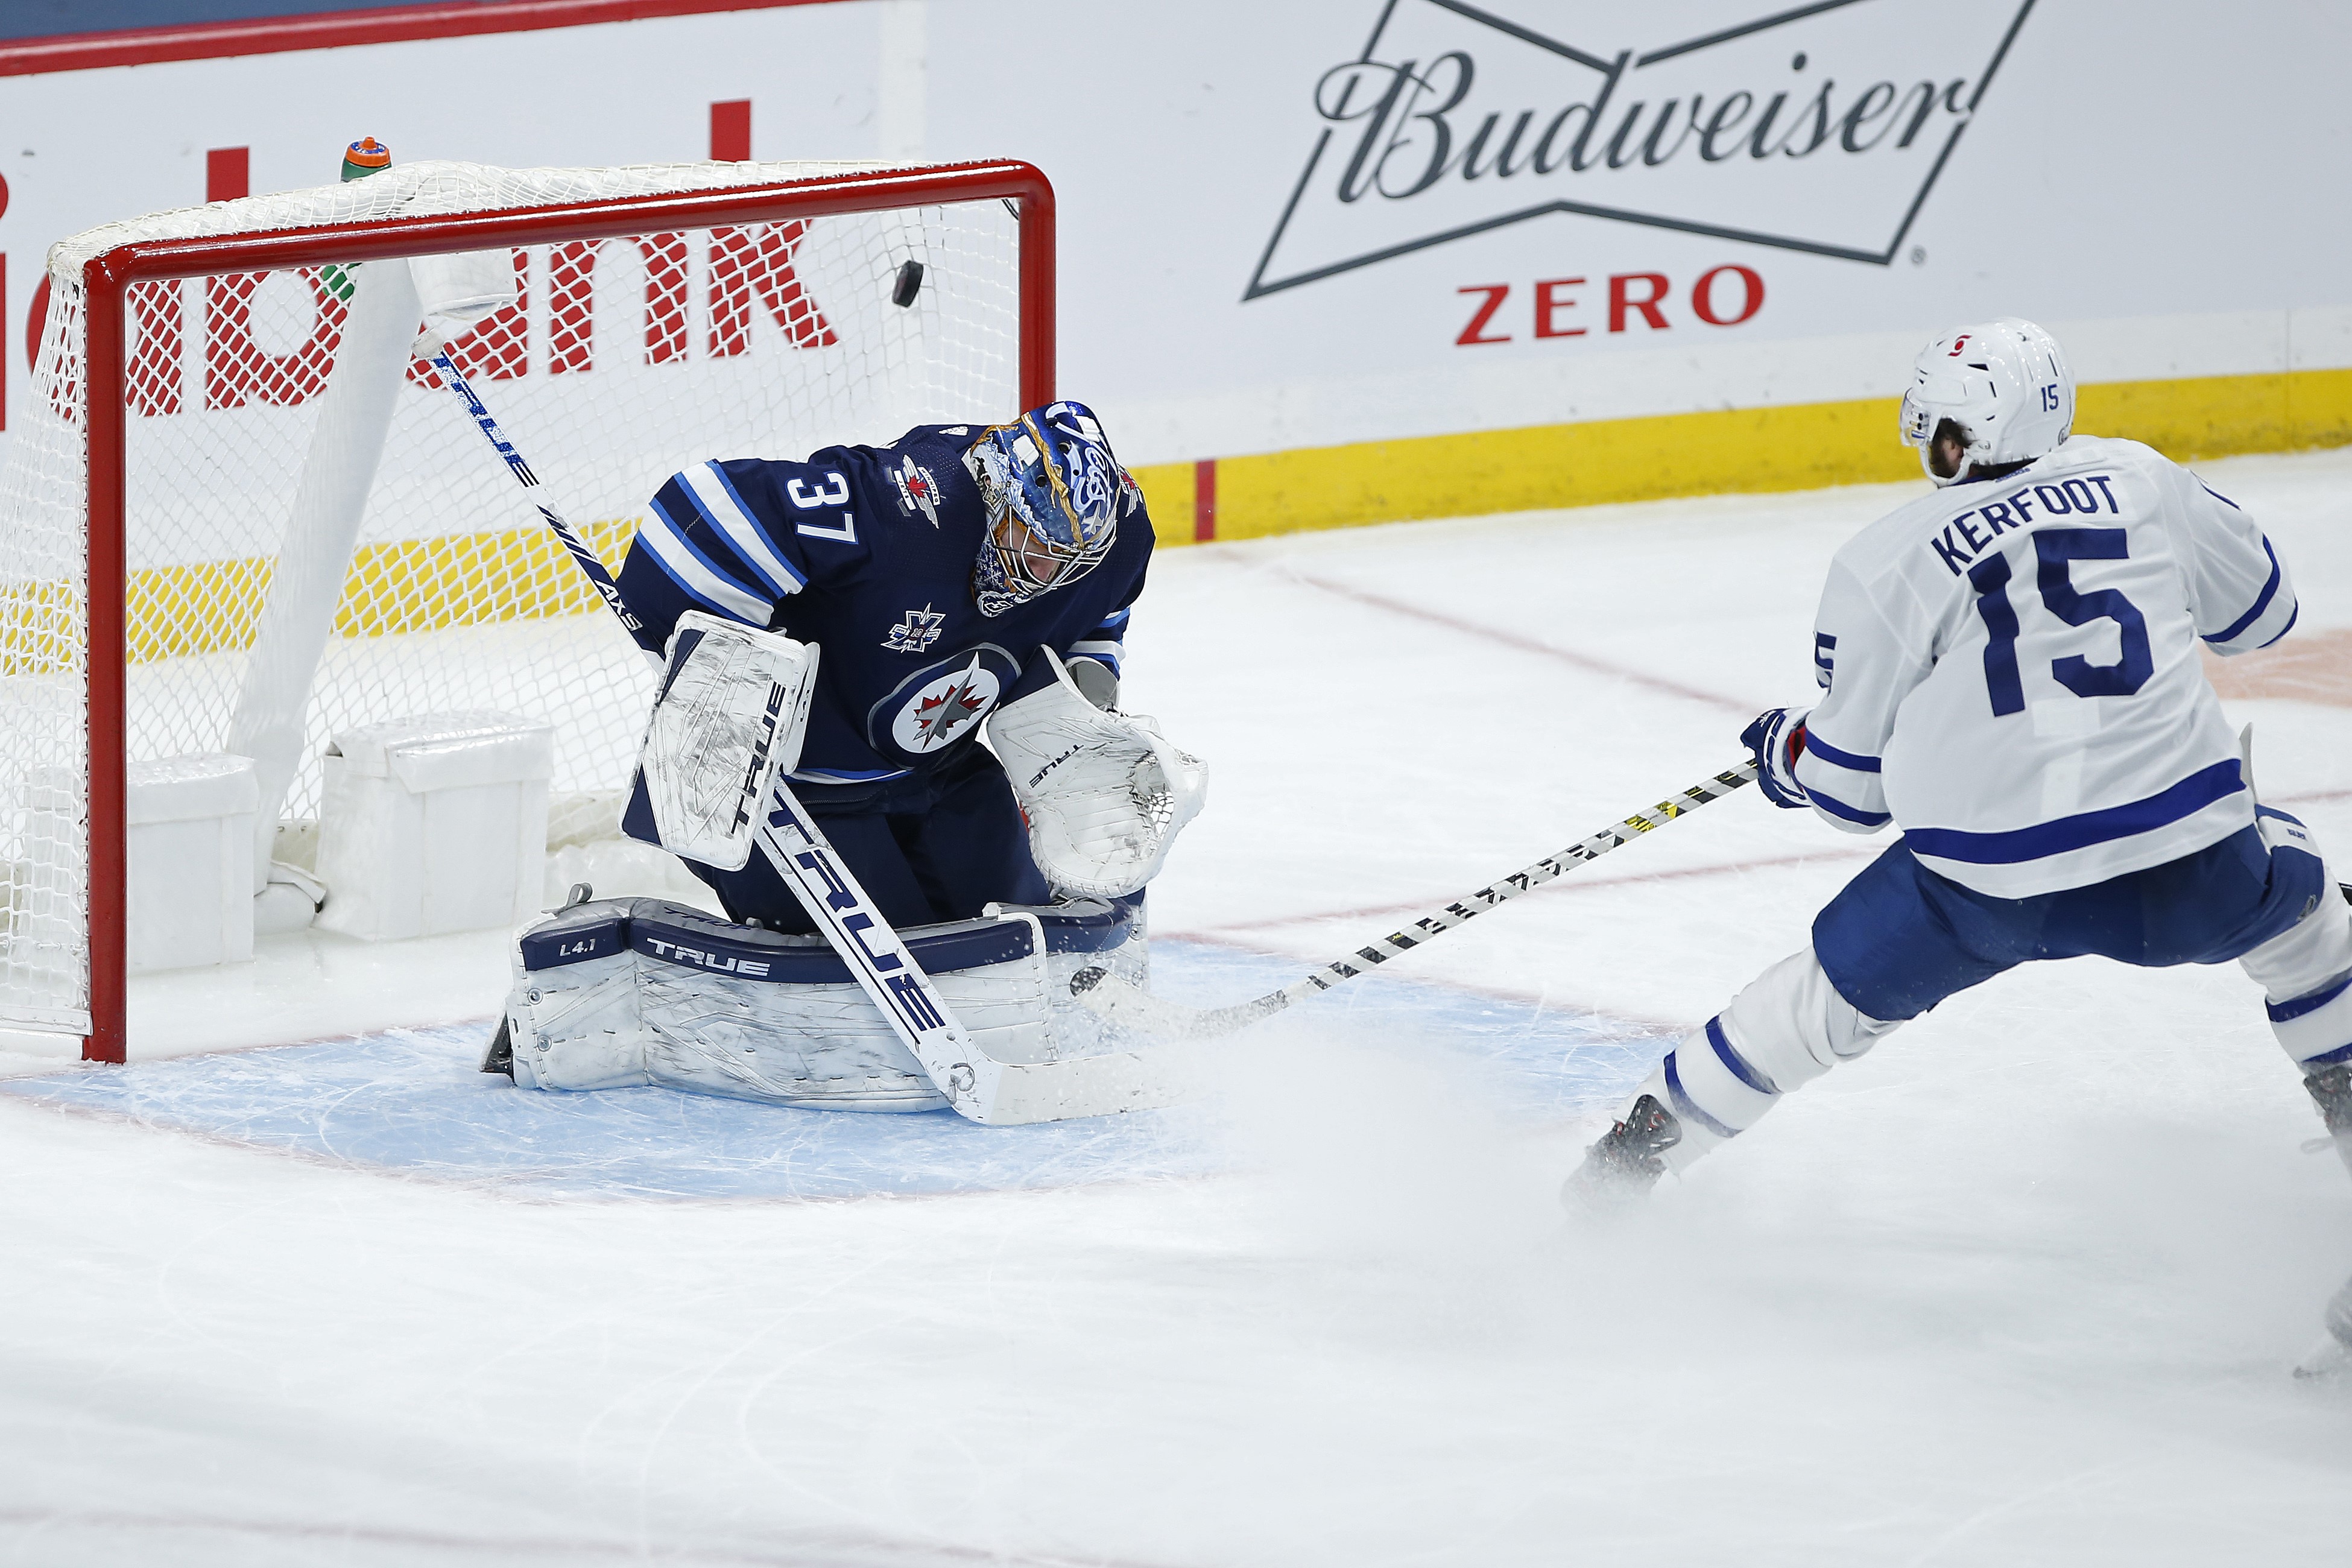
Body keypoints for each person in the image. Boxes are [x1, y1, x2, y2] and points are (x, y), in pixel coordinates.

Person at [1563, 319, 2352, 1368]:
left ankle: (1630, 1165)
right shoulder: (2144, 479)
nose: (1939, 450)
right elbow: (2264, 616)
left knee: (1820, 1004)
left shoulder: (1885, 557)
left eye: (1942, 433)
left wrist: (1786, 752)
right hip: (2189, 868)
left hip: (1986, 887)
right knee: (2307, 918)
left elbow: (1850, 792)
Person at [611, 399, 1161, 932]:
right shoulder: (907, 507)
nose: (1043, 571)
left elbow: (1099, 608)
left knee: (1027, 937)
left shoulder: (1119, 539)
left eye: (1067, 559)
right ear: (994, 490)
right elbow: (698, 512)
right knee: (900, 966)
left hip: (944, 775)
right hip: (796, 796)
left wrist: (1088, 703)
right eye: (1031, 541)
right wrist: (727, 682)